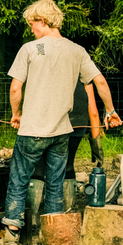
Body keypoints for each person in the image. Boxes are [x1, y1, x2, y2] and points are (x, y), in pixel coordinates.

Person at [0, 0, 122, 245]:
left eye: (32, 24)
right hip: (62, 131)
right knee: (55, 184)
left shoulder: (30, 49)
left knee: (18, 180)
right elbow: (100, 81)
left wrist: (16, 114)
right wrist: (111, 111)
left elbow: (16, 88)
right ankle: (52, 239)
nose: (31, 30)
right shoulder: (77, 51)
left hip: (32, 131)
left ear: (43, 20)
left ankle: (10, 239)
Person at [27, 81, 104, 229]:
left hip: (48, 122)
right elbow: (93, 111)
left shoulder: (51, 66)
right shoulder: (82, 71)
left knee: (39, 166)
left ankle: (33, 221)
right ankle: (67, 215)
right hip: (78, 123)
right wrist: (96, 146)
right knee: (68, 164)